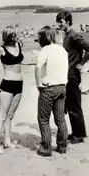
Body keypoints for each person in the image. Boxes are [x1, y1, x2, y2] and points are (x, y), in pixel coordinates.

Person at [56, 10, 89, 144]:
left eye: (60, 22)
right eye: (58, 22)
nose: (59, 24)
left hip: (73, 75)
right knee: (70, 105)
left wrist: (81, 63)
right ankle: (76, 133)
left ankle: (80, 135)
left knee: (75, 105)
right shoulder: (66, 36)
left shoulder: (74, 36)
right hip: (67, 74)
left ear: (67, 21)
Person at [0, 26, 24, 154]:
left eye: (16, 34)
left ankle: (7, 141)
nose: (16, 37)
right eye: (13, 35)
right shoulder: (1, 50)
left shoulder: (19, 45)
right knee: (2, 116)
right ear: (8, 36)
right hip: (7, 84)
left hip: (19, 84)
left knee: (10, 115)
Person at [35, 26, 69, 156]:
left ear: (44, 37)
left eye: (39, 37)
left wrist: (39, 84)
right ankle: (62, 146)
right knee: (60, 118)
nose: (38, 39)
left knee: (43, 119)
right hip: (62, 87)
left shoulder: (45, 50)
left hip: (49, 88)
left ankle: (46, 147)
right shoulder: (62, 49)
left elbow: (38, 68)